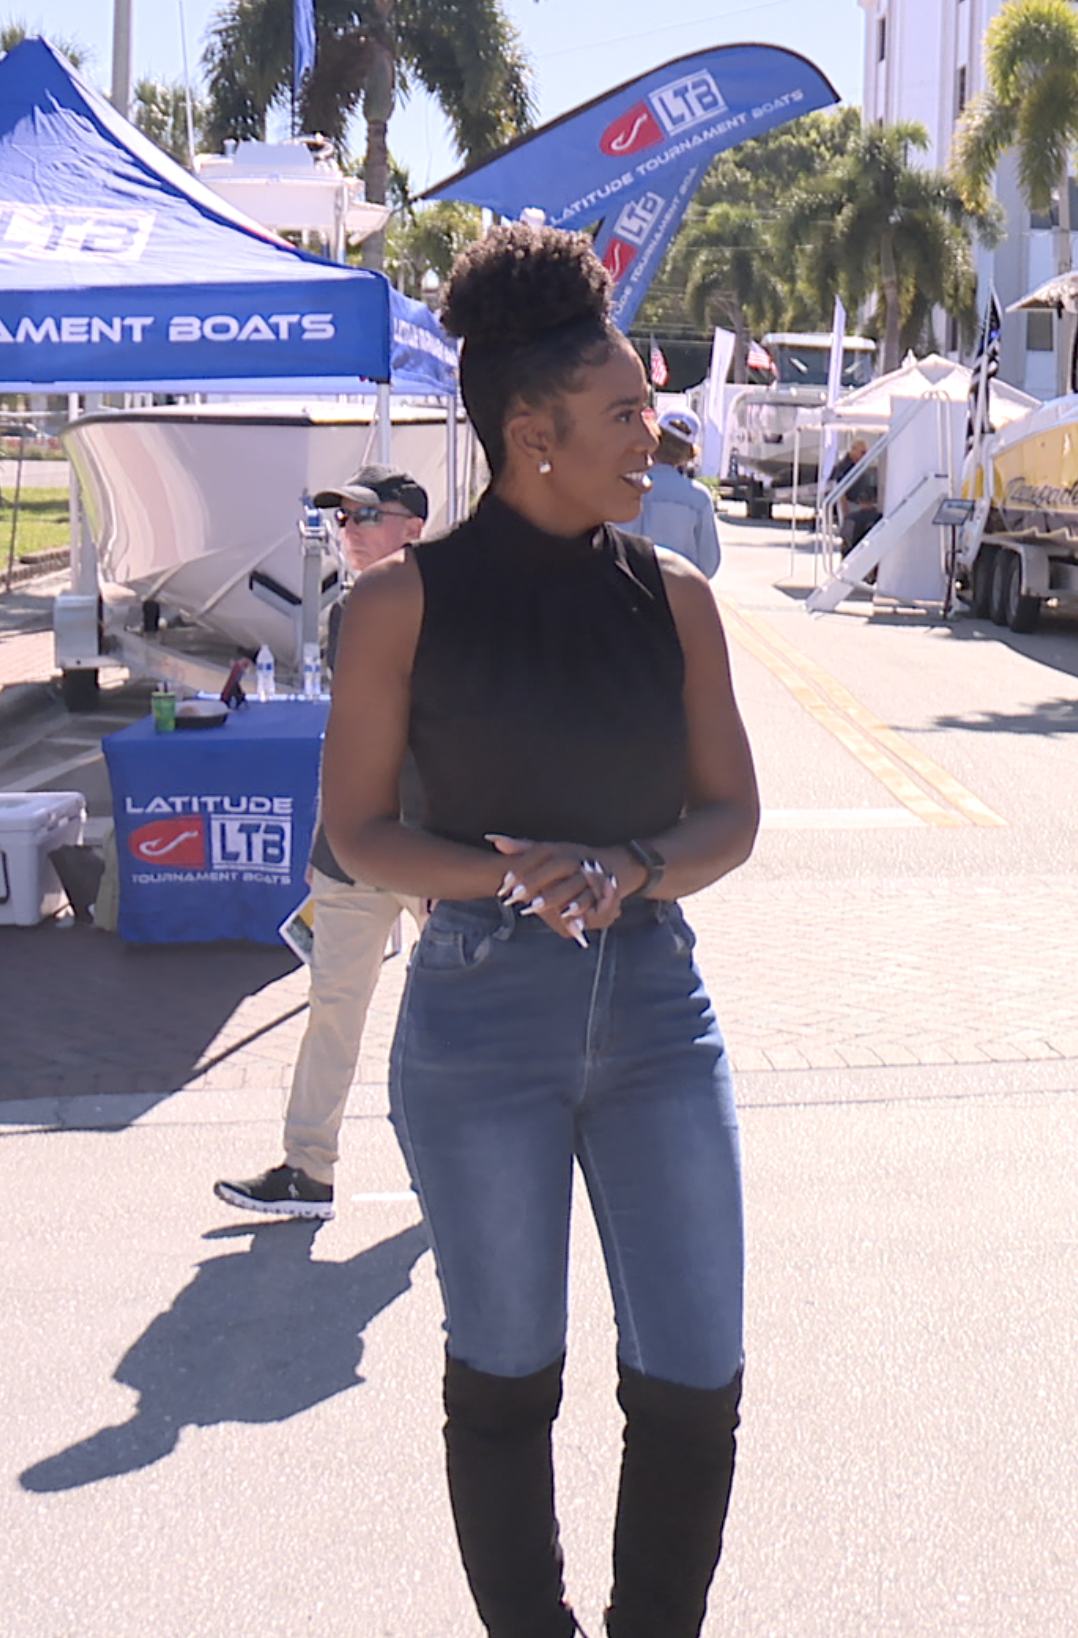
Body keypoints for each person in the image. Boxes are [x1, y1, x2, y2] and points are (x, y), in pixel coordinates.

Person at [320, 222, 761, 1638]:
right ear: (534, 432)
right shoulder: (397, 606)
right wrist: (518, 878)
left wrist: (624, 869)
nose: (656, 430)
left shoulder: (676, 600)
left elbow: (729, 817)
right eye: (628, 411)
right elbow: (361, 835)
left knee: (695, 1373)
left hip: (653, 1013)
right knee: (507, 1368)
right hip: (473, 1023)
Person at [215, 465, 431, 1218]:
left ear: (413, 526)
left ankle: (451, 1167)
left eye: (366, 516)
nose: (350, 530)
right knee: (331, 1009)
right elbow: (347, 738)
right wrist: (320, 844)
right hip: (352, 850)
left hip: (430, 848)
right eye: (343, 518)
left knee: (446, 1020)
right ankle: (309, 1168)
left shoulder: (452, 610)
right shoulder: (349, 612)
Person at [633, 408, 723, 577]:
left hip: (634, 588)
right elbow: (709, 560)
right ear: (688, 453)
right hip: (682, 590)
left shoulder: (633, 486)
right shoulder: (699, 497)